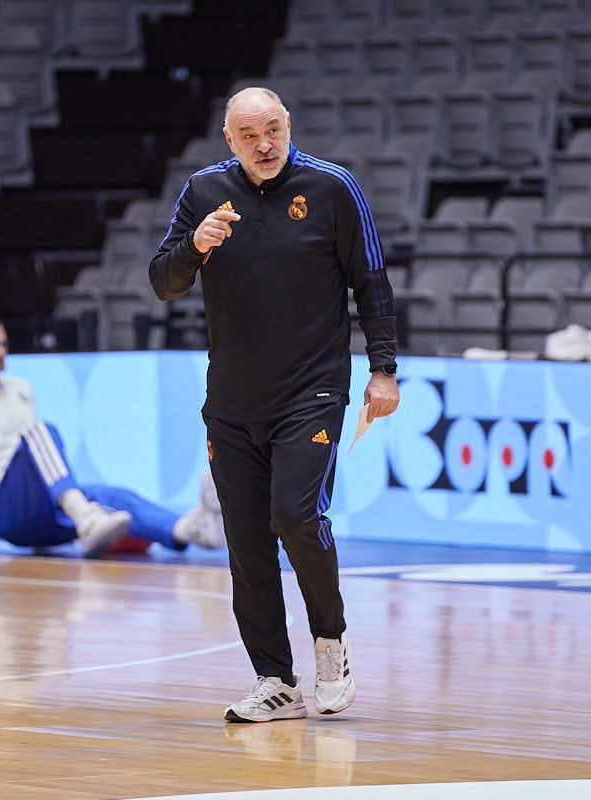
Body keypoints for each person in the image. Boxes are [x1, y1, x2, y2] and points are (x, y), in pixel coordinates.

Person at [148, 87, 400, 723]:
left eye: (274, 130)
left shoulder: (333, 189)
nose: (265, 145)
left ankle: (330, 643)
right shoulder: (203, 193)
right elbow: (163, 282)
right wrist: (194, 246)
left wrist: (383, 369)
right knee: (246, 543)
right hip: (232, 399)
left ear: (288, 127)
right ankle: (275, 681)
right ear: (228, 140)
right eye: (250, 134)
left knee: (294, 516)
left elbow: (371, 278)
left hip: (311, 391)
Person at [0, 314, 224, 559]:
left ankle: (189, 530)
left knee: (112, 495)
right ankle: (85, 517)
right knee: (42, 432)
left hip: (35, 514)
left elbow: (39, 466)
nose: (1, 352)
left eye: (3, 344)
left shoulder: (21, 388)